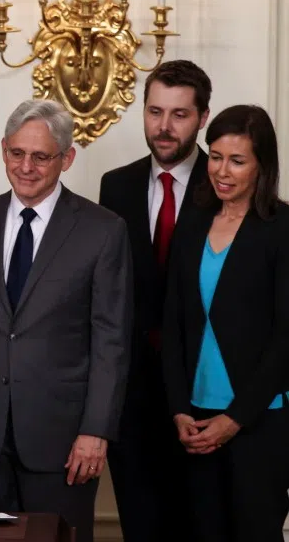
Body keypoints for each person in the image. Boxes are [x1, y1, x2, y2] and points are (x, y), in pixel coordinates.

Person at [0, 99, 131, 542]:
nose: (26, 167)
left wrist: (96, 430)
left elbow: (112, 339)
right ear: (3, 150)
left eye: (41, 156)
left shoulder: (103, 230)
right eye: (17, 153)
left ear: (66, 159)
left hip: (64, 439)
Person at [162, 105, 289, 542]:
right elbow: (174, 322)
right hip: (193, 421)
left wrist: (234, 418)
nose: (222, 171)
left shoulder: (282, 227)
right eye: (215, 156)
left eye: (237, 160)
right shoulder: (193, 222)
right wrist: (179, 408)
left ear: (262, 164)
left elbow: (285, 339)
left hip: (260, 421)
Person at [98, 60, 211, 542]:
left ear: (203, 117)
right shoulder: (115, 185)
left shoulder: (225, 183)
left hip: (204, 389)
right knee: (141, 525)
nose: (164, 127)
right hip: (134, 393)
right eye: (155, 112)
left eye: (180, 115)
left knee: (202, 525)